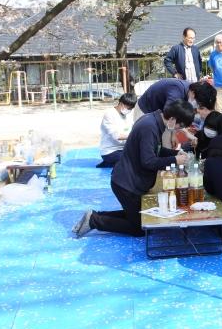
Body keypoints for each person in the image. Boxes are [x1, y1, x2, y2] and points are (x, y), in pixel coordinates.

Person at [73, 100, 196, 238]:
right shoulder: (149, 127)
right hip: (127, 184)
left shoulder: (153, 121)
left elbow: (156, 150)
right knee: (140, 228)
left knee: (137, 215)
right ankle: (94, 221)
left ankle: (95, 216)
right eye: (180, 125)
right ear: (173, 118)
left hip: (129, 180)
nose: (179, 129)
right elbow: (148, 161)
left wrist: (175, 154)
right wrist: (174, 160)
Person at [97, 93, 136, 168]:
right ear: (121, 104)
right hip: (110, 151)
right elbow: (116, 136)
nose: (129, 110)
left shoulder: (129, 115)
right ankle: (109, 161)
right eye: (128, 108)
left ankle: (113, 162)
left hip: (124, 148)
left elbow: (133, 128)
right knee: (132, 161)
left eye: (131, 109)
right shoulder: (109, 114)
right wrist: (134, 135)